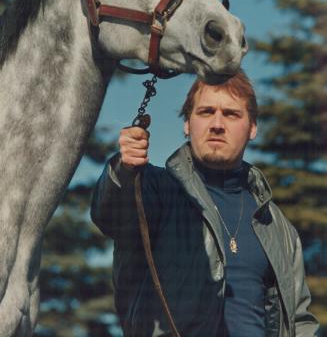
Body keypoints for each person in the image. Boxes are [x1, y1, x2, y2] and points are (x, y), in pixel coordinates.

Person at [91, 70, 319, 337]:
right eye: (206, 112)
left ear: (253, 127)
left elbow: (299, 320)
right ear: (187, 123)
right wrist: (123, 169)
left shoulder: (276, 225)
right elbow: (109, 215)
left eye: (231, 114)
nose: (217, 124)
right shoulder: (153, 189)